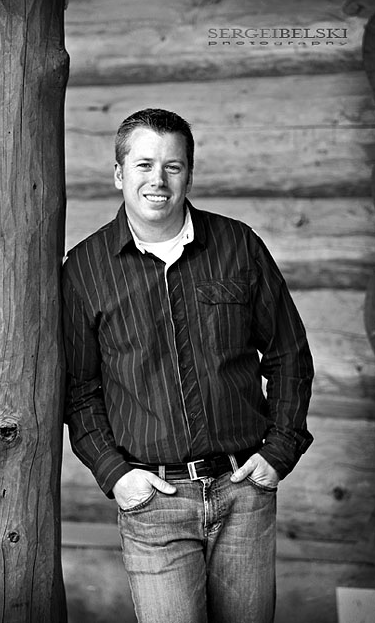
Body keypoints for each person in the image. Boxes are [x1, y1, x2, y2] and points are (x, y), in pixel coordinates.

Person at [62, 108, 314, 623]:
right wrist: (116, 475)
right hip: (154, 503)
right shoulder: (84, 268)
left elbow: (288, 353)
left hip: (243, 492)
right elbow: (80, 389)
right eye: (144, 165)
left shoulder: (238, 245)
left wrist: (279, 450)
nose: (158, 180)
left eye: (172, 166)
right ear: (119, 174)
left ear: (188, 176)